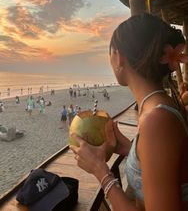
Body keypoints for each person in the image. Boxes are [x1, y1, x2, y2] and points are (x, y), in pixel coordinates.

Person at [70, 13, 188, 211]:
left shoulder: (157, 119)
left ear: (118, 57)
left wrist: (101, 172)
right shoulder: (158, 106)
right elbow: (161, 166)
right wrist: (126, 147)